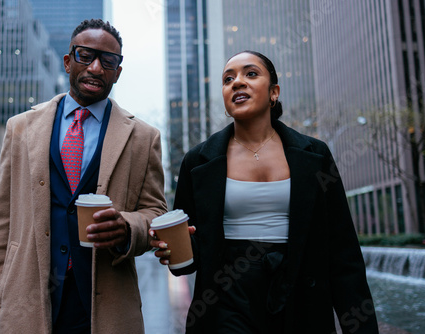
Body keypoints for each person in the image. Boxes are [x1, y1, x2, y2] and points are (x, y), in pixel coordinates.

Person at [151, 50, 379, 333]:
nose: (237, 82)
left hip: (301, 298)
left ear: (274, 92)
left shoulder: (315, 155)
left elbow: (342, 252)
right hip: (225, 303)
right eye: (228, 79)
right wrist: (172, 248)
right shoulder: (198, 162)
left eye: (251, 74)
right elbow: (188, 260)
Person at [0, 19, 167, 334]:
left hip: (106, 306)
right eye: (85, 56)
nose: (96, 67)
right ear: (68, 61)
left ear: (118, 71)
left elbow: (155, 213)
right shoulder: (20, 128)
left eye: (108, 61)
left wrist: (128, 228)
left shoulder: (144, 137)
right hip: (27, 304)